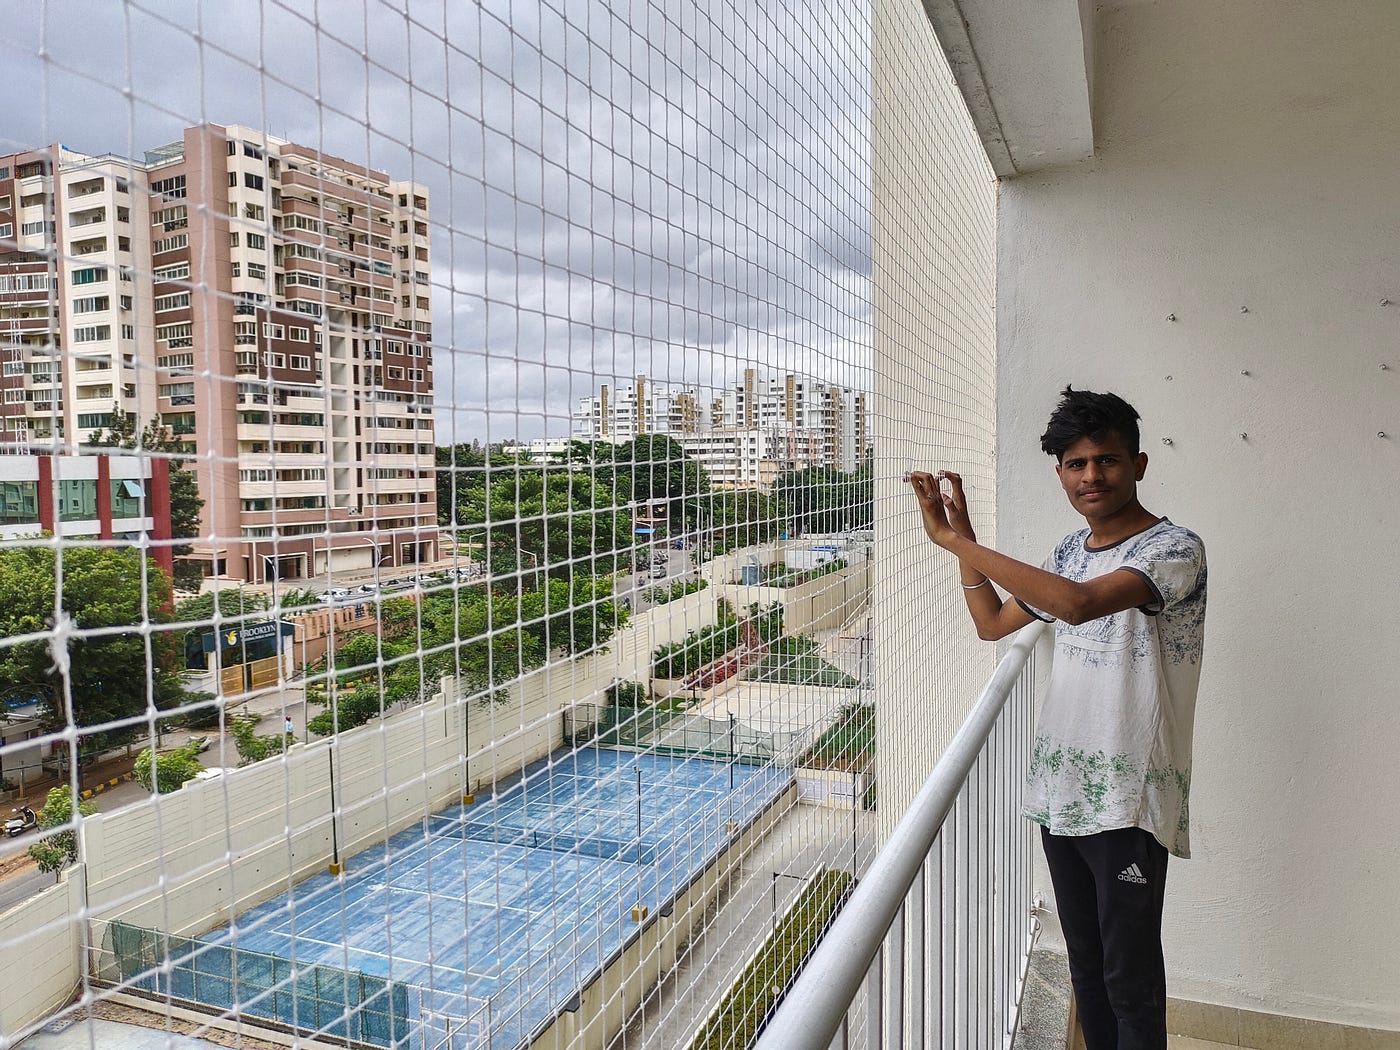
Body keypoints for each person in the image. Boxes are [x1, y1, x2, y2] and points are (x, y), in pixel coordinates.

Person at [908, 386, 1206, 1050]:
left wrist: (953, 539)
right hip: (1059, 795)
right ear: (1060, 473)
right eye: (1076, 464)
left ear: (1139, 464)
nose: (1091, 476)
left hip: (1129, 801)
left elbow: (1075, 606)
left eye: (1106, 460)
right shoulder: (1069, 551)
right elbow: (992, 624)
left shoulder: (1174, 549)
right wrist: (966, 548)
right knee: (1089, 974)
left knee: (1131, 983)